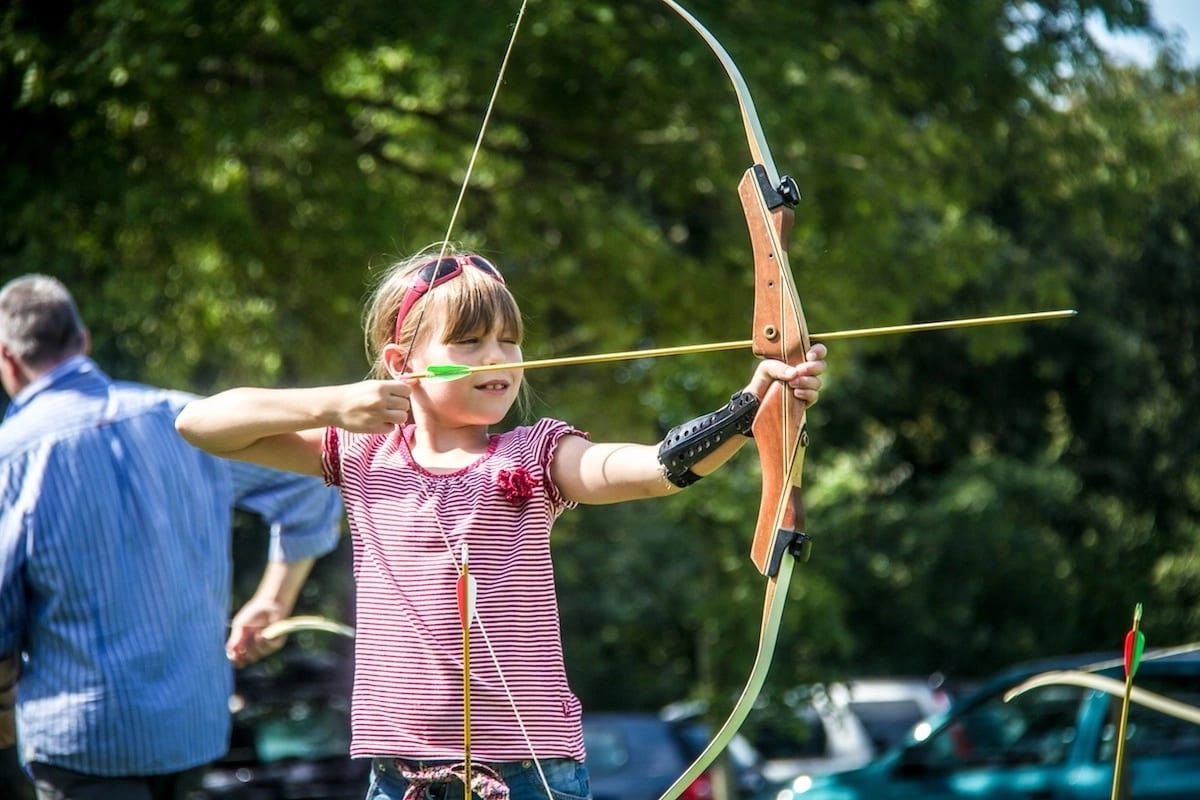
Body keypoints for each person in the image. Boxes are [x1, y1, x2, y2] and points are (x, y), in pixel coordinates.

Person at [174, 249, 828, 800]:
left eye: (508, 341)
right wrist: (335, 404)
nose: (498, 358)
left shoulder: (535, 454)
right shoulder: (360, 452)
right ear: (403, 364)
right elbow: (200, 424)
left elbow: (652, 467)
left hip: (527, 773)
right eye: (470, 343)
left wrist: (750, 410)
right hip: (396, 775)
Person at [0, 274, 345, 800]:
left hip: (83, 741)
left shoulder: (12, 453)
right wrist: (274, 600)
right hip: (193, 730)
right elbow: (314, 477)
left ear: (7, 358)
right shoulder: (186, 419)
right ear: (84, 340)